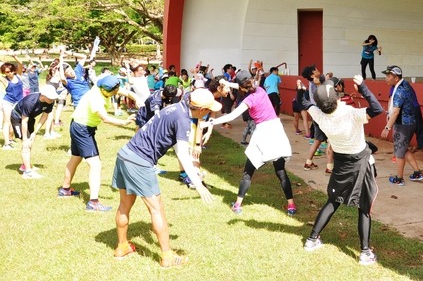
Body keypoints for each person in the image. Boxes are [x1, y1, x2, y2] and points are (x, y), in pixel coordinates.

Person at [111, 88, 219, 268]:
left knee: (124, 205)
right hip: (140, 162)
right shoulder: (183, 119)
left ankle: (122, 247)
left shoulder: (177, 107)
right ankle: (167, 257)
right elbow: (184, 156)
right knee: (157, 209)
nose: (208, 113)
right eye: (208, 110)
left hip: (125, 154)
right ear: (200, 110)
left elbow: (176, 145)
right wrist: (198, 185)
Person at [301, 75, 383, 265]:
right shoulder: (351, 113)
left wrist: (302, 89)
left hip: (341, 163)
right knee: (364, 207)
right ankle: (364, 253)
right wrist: (362, 87)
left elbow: (304, 102)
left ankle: (312, 240)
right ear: (337, 98)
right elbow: (377, 109)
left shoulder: (319, 116)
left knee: (333, 201)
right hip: (360, 163)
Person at [199, 70, 297, 215]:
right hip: (276, 130)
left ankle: (237, 205)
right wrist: (228, 83)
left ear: (241, 86)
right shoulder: (260, 89)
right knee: (280, 171)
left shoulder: (249, 100)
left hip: (263, 133)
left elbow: (232, 116)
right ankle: (291, 206)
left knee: (248, 172)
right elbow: (243, 86)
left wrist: (209, 123)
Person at [57, 75, 142, 211]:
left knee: (76, 158)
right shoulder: (96, 98)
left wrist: (137, 99)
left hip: (79, 125)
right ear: (106, 90)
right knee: (96, 165)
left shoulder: (104, 87)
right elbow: (105, 118)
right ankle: (93, 203)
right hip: (82, 129)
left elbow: (125, 92)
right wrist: (124, 122)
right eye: (114, 91)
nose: (117, 91)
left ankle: (65, 190)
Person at [381, 66, 423, 185]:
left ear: (396, 77)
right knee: (403, 149)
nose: (386, 78)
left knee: (399, 152)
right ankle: (417, 172)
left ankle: (399, 179)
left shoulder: (400, 90)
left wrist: (387, 127)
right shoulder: (404, 85)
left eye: (389, 76)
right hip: (410, 122)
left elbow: (396, 111)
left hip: (403, 125)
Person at [11, 84, 59, 179]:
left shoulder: (50, 102)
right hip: (17, 118)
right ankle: (28, 172)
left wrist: (35, 132)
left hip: (30, 118)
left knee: (30, 142)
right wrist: (24, 139)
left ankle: (24, 165)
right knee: (26, 143)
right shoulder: (30, 101)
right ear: (43, 96)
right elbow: (24, 121)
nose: (52, 100)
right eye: (50, 98)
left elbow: (44, 116)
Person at [301, 65, 328, 170]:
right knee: (331, 140)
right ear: (312, 75)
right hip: (322, 115)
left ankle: (308, 162)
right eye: (315, 70)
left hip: (316, 115)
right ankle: (330, 166)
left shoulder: (313, 84)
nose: (318, 70)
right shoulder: (315, 85)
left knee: (317, 140)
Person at [1, 61, 24, 150]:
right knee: (7, 122)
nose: (8, 73)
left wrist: (15, 57)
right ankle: (6, 144)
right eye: (5, 72)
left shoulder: (19, 76)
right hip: (8, 102)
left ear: (13, 70)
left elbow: (21, 64)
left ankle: (11, 139)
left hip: (18, 103)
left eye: (9, 71)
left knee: (16, 121)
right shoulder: (5, 79)